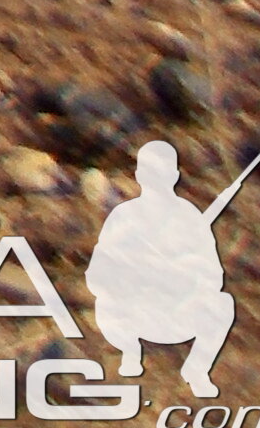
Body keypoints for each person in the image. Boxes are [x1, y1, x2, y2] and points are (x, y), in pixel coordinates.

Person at [88, 140, 240, 398]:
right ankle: (130, 354)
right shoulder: (124, 217)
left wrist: (182, 271)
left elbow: (213, 275)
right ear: (139, 175)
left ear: (174, 176)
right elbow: (97, 275)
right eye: (149, 172)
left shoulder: (189, 217)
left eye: (162, 172)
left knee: (222, 304)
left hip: (176, 310)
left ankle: (197, 370)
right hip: (132, 312)